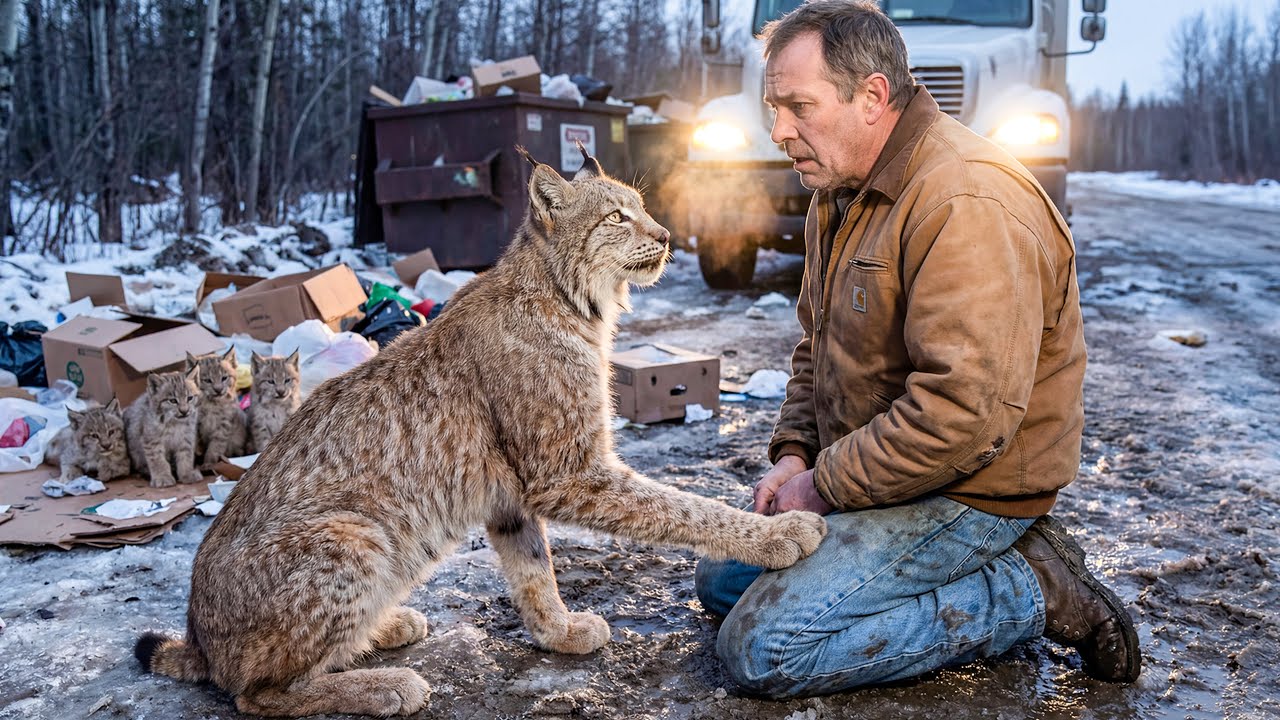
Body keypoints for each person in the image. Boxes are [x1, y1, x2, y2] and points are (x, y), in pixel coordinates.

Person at [694, 0, 1141, 697]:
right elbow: (820, 346)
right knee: (720, 579)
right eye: (773, 107)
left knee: (764, 650)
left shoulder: (966, 200)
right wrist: (794, 456)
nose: (779, 131)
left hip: (972, 488)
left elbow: (962, 417)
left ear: (871, 96)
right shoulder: (837, 190)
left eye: (799, 107)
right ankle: (922, 578)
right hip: (883, 470)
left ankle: (1029, 588)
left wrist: (823, 486)